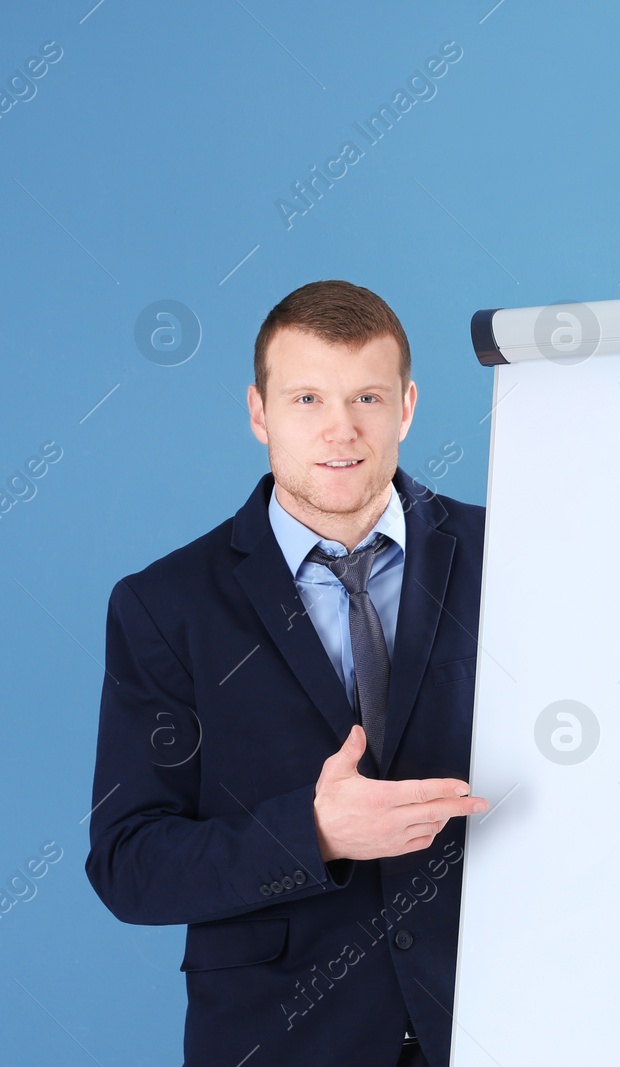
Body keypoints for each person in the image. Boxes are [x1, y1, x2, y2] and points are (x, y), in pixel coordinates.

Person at [85, 279, 489, 1066]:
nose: (342, 429)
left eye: (367, 396)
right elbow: (130, 864)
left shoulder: (513, 555)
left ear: (406, 406)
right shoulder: (165, 606)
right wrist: (315, 833)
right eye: (307, 398)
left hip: (503, 1022)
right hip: (284, 1041)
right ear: (258, 412)